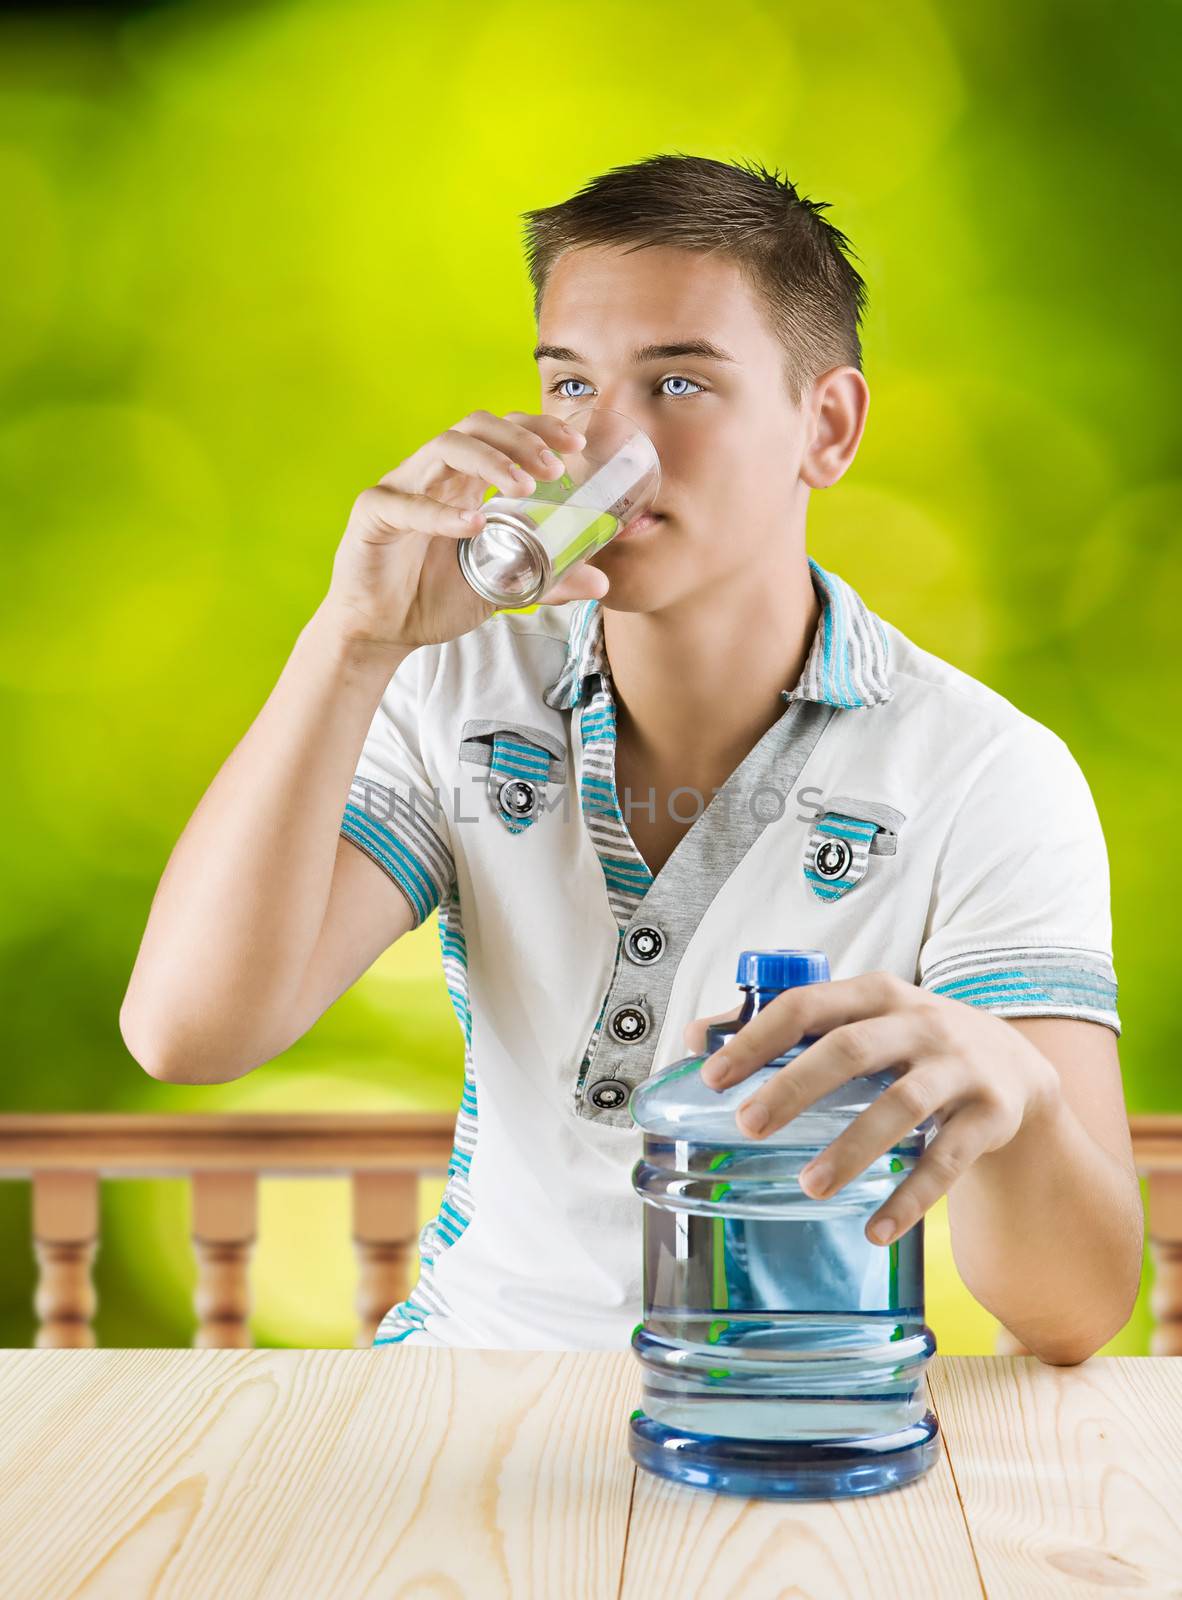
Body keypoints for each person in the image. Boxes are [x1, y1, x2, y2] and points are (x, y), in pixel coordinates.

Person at [120, 154, 1143, 1364]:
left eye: (678, 383)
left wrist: (1014, 1098)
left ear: (827, 425)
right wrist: (347, 644)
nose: (610, 443)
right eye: (571, 382)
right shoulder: (455, 684)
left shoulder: (985, 773)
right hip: (464, 1389)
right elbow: (189, 1035)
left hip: (777, 1422)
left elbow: (1075, 1313)